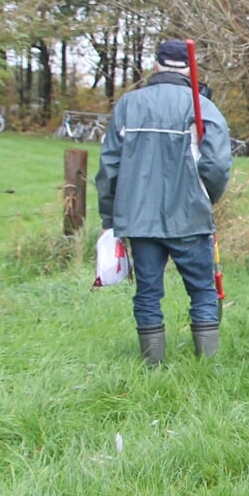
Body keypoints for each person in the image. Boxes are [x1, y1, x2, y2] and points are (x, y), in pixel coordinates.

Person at [96, 38, 232, 365]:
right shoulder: (202, 108)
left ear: (156, 64)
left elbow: (109, 166)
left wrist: (110, 217)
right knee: (202, 291)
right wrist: (205, 197)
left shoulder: (128, 105)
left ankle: (152, 367)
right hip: (190, 217)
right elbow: (217, 165)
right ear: (190, 68)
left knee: (147, 293)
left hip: (139, 220)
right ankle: (207, 367)